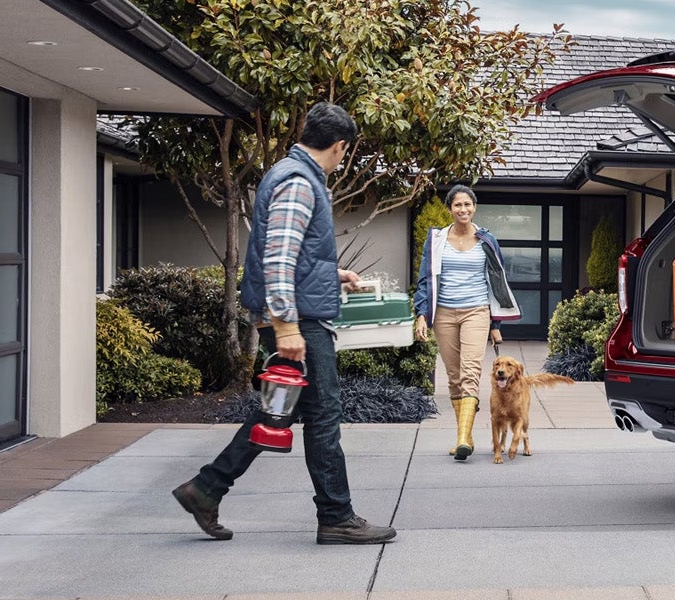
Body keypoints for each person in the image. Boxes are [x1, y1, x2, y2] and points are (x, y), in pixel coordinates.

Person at [171, 102, 397, 545]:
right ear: (338, 147)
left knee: (280, 411)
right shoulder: (299, 183)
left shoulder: (290, 173)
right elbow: (277, 259)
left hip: (298, 314)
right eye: (344, 151)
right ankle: (336, 516)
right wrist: (287, 325)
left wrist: (333, 275)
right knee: (324, 417)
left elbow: (292, 254)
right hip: (300, 322)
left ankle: (206, 489)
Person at [412, 184, 519, 461]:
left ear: (474, 208)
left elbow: (497, 282)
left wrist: (496, 325)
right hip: (444, 313)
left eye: (467, 205)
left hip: (476, 311)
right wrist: (421, 314)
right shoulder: (436, 240)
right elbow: (425, 278)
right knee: (454, 376)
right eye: (457, 205)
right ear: (450, 209)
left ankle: (461, 439)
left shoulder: (487, 240)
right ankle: (466, 434)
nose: (463, 210)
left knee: (470, 371)